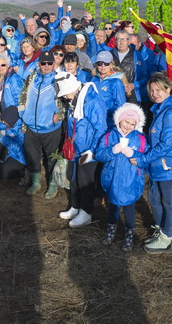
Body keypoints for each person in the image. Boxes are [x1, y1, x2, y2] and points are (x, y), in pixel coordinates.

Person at [130, 73, 172, 254]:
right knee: (154, 198)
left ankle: (166, 238)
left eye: (158, 90)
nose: (154, 94)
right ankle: (161, 231)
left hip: (171, 165)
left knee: (169, 202)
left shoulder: (171, 113)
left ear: (168, 89)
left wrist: (143, 159)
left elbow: (166, 145)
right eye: (151, 91)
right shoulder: (160, 109)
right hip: (159, 164)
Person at [56, 72, 107, 227]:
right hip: (75, 149)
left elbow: (101, 128)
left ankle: (86, 212)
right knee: (73, 178)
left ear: (74, 88)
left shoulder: (92, 101)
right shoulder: (74, 100)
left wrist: (92, 150)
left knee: (85, 181)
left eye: (66, 93)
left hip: (87, 150)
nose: (65, 97)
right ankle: (75, 206)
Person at [96, 103, 148, 252]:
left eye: (132, 124)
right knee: (113, 205)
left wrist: (133, 154)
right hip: (112, 177)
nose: (128, 126)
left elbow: (146, 158)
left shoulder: (140, 139)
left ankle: (129, 234)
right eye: (126, 122)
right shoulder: (109, 136)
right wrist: (113, 150)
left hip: (131, 179)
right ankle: (111, 230)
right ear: (119, 119)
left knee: (129, 207)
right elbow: (100, 154)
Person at [19, 51, 65, 196]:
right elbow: (23, 95)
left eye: (49, 63)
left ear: (54, 64)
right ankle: (36, 183)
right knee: (32, 157)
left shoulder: (59, 80)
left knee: (52, 158)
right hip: (31, 127)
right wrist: (22, 113)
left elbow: (68, 102)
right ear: (39, 64)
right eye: (43, 63)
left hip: (50, 128)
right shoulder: (32, 77)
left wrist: (59, 116)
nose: (46, 66)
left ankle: (53, 185)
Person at [91, 51, 127, 127]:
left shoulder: (116, 82)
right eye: (100, 63)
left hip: (108, 121)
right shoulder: (94, 80)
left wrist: (104, 110)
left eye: (106, 63)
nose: (103, 66)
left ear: (111, 65)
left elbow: (121, 105)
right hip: (94, 120)